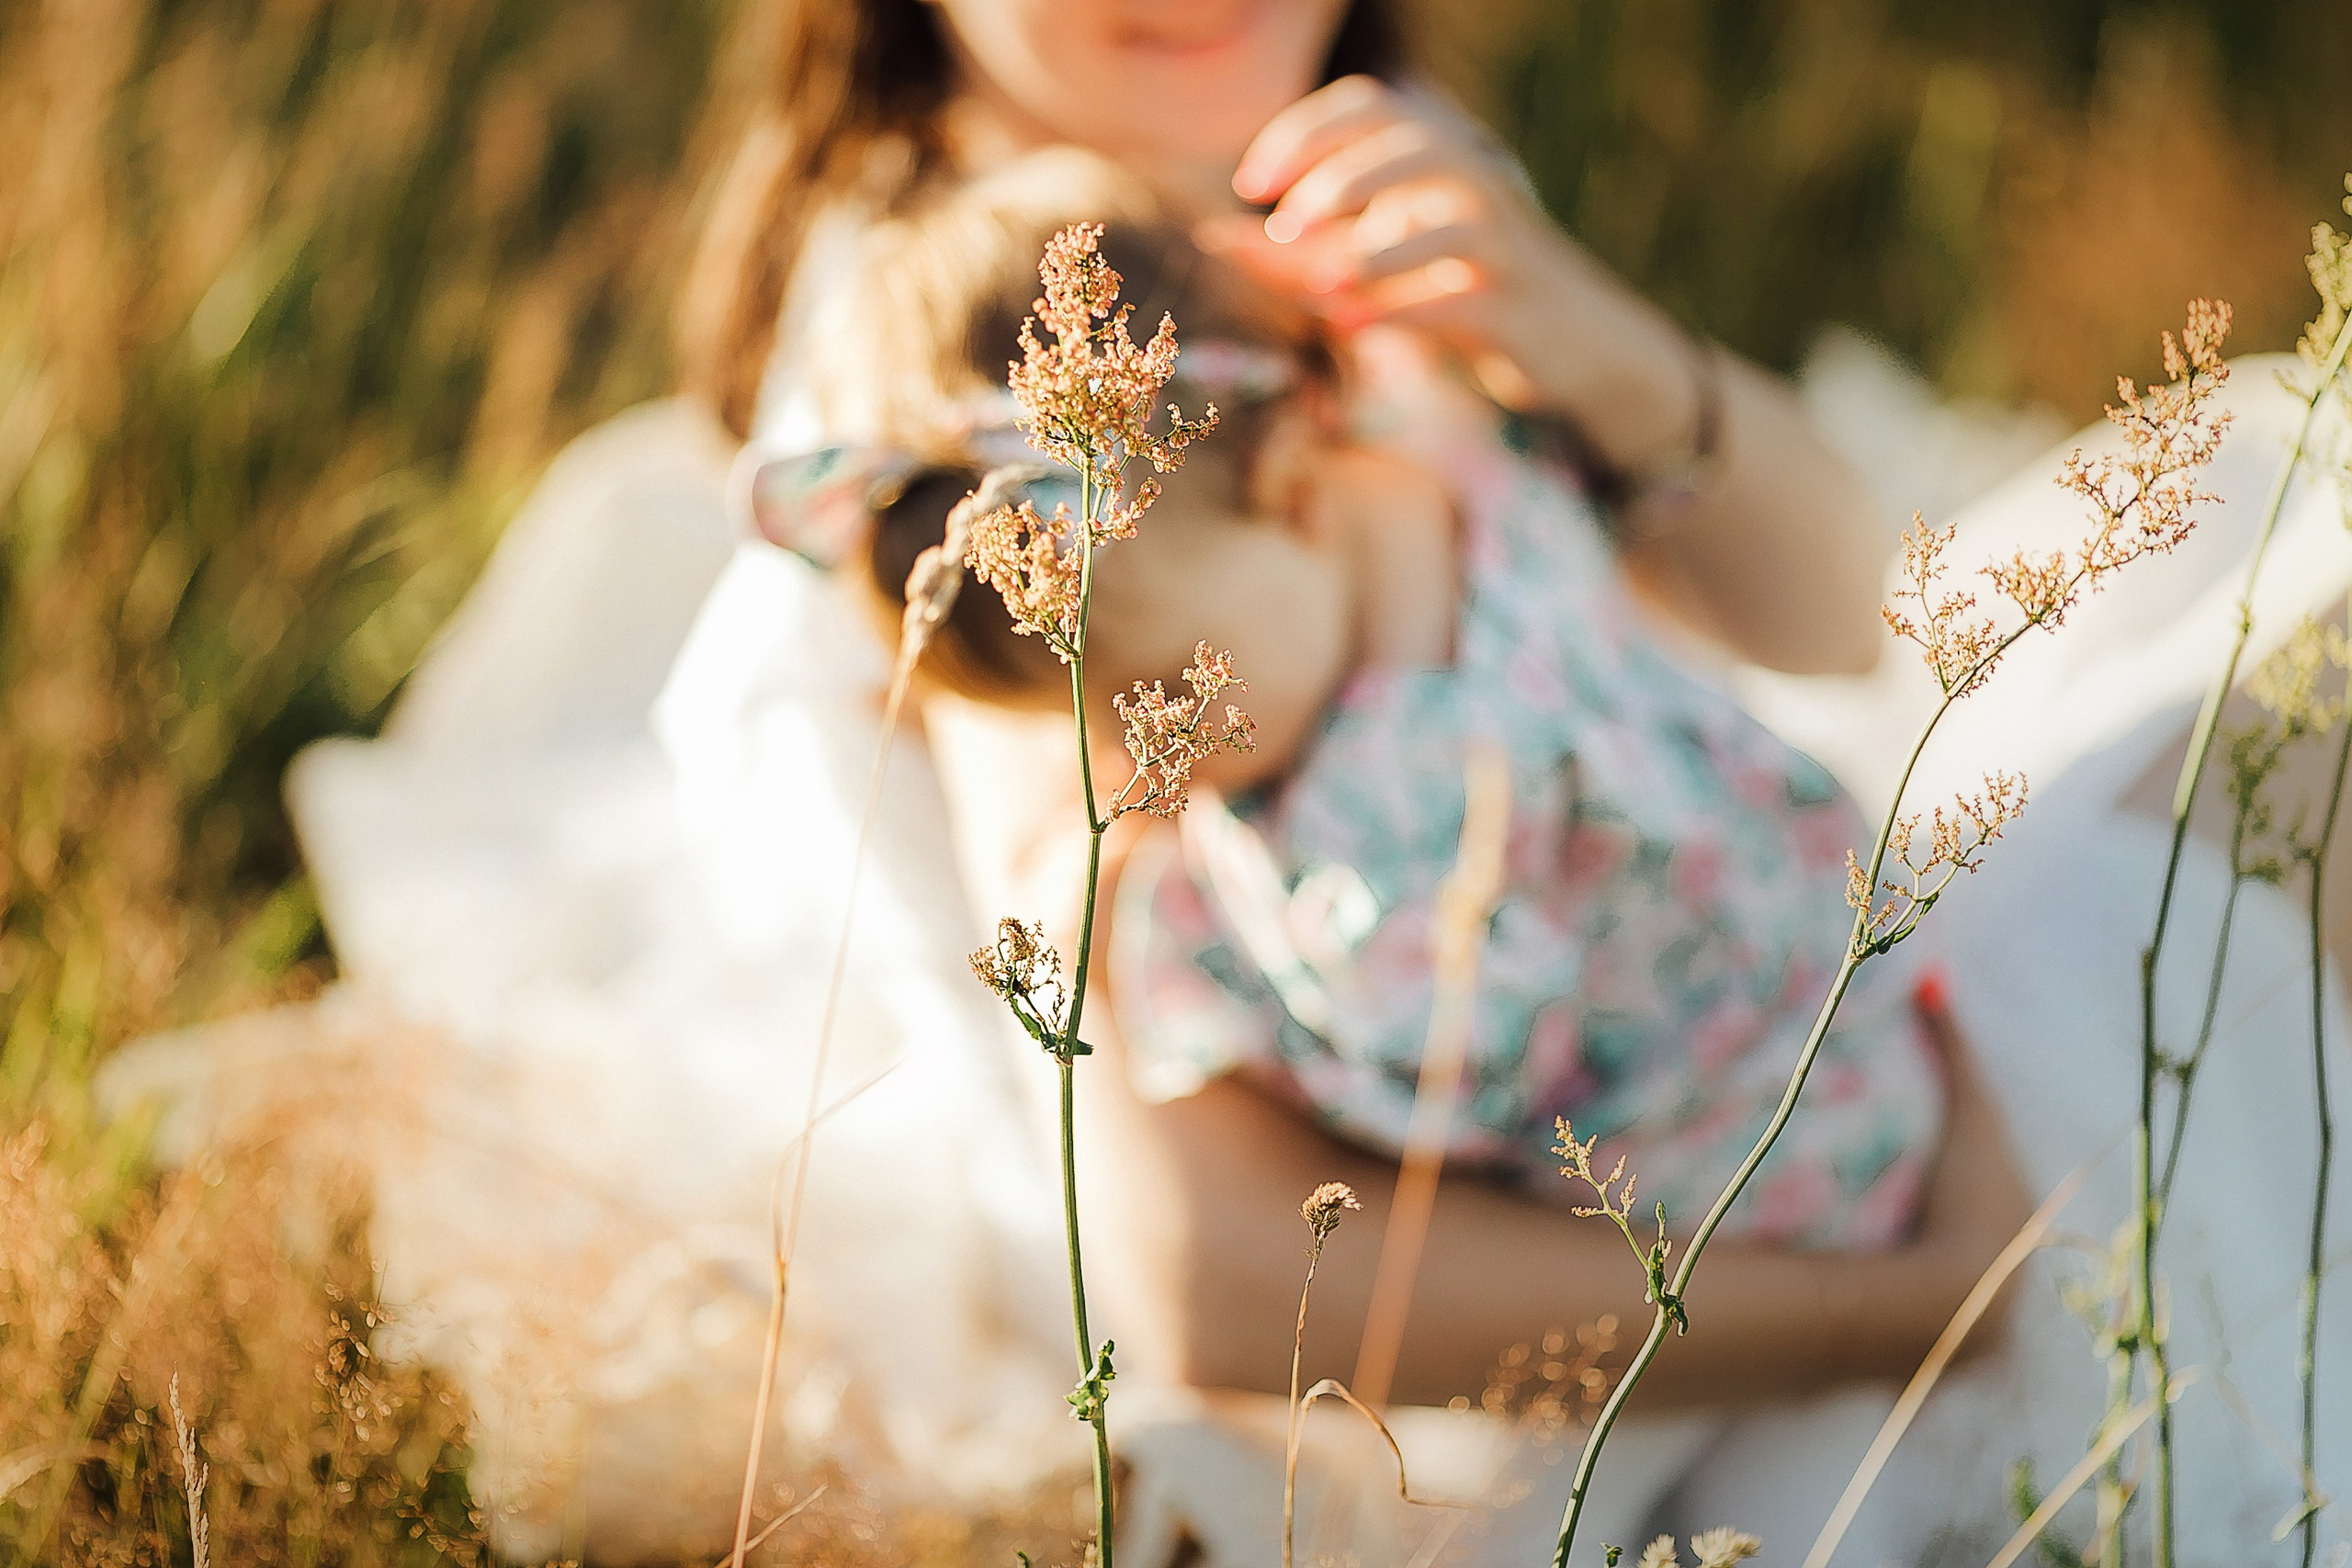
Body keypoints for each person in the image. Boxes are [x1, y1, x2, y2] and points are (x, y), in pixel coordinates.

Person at [110, 0, 2351, 1561]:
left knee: (2262, 600)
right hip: (1540, 1225)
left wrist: (1599, 356)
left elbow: (1871, 613)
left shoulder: (1364, 172)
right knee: (2207, 897)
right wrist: (1902, 1292)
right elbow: (1192, 1273)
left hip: (1661, 860)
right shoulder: (958, 411)